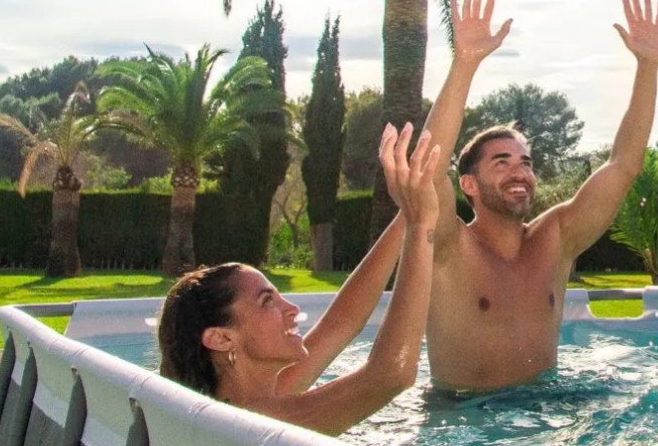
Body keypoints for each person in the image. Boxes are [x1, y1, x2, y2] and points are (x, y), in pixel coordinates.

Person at [392, 0, 658, 395]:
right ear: (468, 183)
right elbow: (427, 173)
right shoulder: (449, 246)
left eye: (526, 163)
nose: (519, 173)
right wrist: (464, 64)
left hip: (546, 414)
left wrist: (648, 67)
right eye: (501, 163)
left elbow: (623, 166)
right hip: (466, 424)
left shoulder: (556, 237)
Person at [155, 123, 443, 435]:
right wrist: (421, 226)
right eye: (267, 301)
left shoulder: (248, 400)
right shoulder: (255, 427)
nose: (292, 308)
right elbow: (391, 375)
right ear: (221, 338)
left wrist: (406, 212)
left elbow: (342, 322)